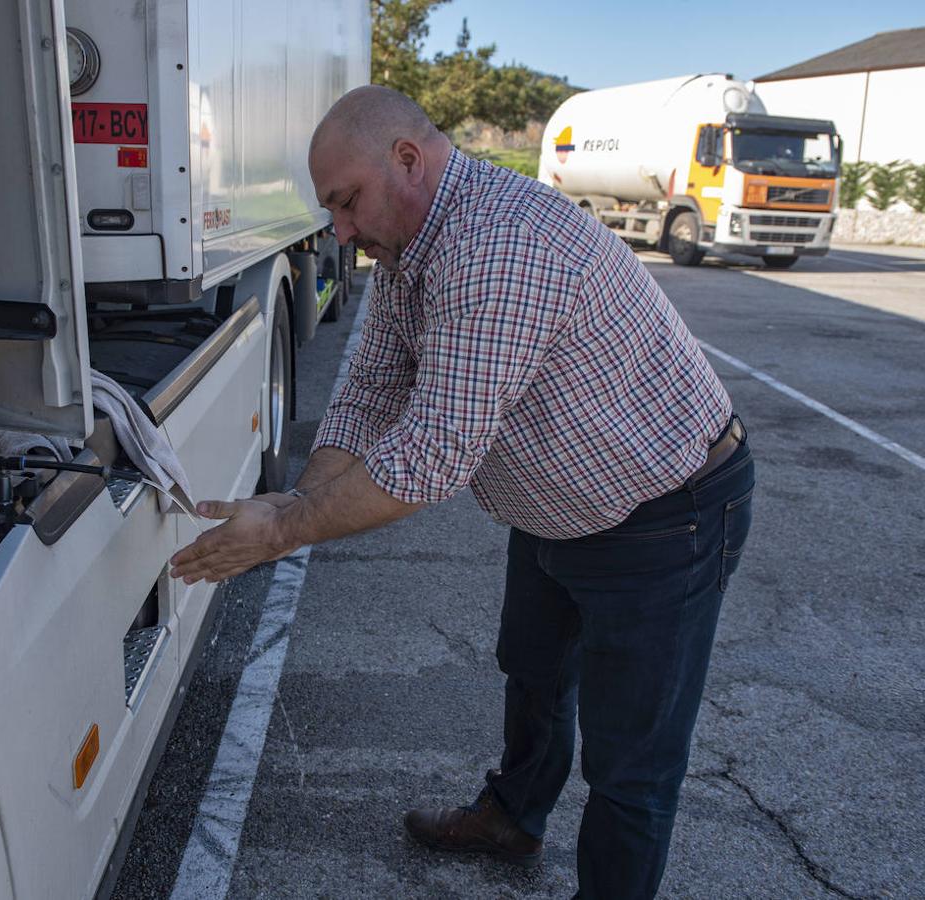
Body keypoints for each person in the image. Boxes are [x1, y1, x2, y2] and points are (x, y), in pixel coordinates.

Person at [169, 85, 755, 899]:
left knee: (631, 760)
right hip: (560, 508)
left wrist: (280, 531)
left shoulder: (498, 246)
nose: (337, 230)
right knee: (534, 670)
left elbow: (433, 455)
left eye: (345, 202)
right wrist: (288, 504)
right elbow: (373, 385)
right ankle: (513, 816)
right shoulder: (415, 242)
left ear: (407, 159)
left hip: (664, 513)